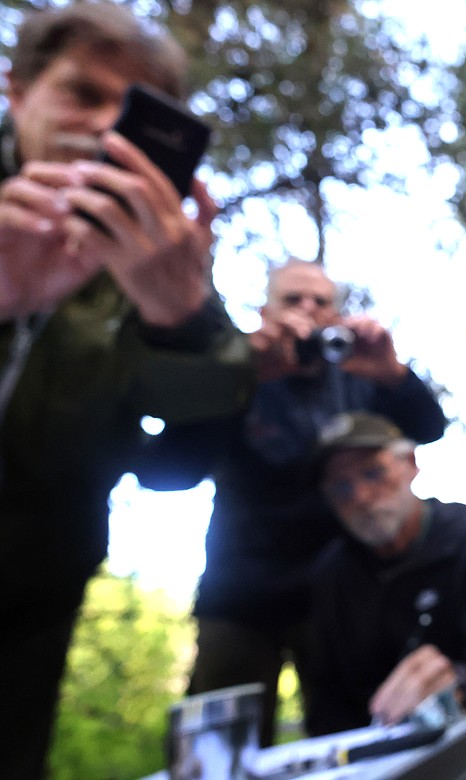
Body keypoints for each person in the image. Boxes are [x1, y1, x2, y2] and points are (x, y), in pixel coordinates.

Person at [0, 4, 253, 777]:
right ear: (17, 90)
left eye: (134, 111)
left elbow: (181, 460)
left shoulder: (154, 262)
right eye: (83, 93)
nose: (107, 128)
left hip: (32, 589)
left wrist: (179, 323)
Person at [137, 258, 448, 747]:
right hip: (240, 597)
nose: (308, 310)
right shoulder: (239, 373)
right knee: (220, 751)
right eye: (293, 300)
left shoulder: (357, 376)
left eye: (321, 301)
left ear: (337, 315)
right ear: (264, 311)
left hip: (335, 596)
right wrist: (237, 378)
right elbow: (168, 473)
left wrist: (391, 374)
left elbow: (429, 428)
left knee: (351, 738)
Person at [306, 410, 466, 780]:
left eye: (373, 472)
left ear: (410, 464)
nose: (362, 497)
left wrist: (459, 683)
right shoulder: (330, 576)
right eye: (341, 488)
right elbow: (324, 713)